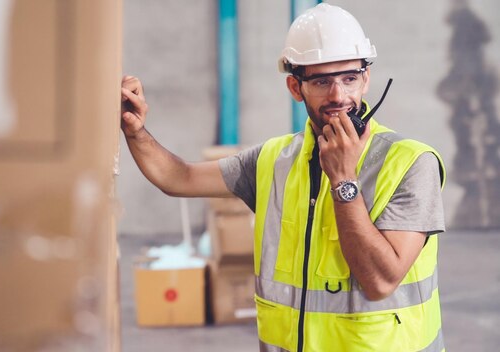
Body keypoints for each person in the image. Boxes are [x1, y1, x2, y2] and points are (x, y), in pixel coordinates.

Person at [121, 3, 446, 352]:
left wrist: (343, 181)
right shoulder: (272, 160)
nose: (338, 96)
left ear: (366, 79)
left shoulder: (412, 163)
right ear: (295, 87)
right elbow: (179, 178)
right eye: (321, 81)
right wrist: (136, 131)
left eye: (349, 78)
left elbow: (381, 281)